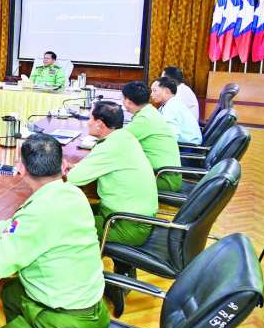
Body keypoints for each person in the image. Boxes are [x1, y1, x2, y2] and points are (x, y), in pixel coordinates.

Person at [0, 134, 109, 328]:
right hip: (92, 311)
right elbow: (22, 225)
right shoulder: (73, 193)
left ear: (21, 169)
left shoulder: (38, 214)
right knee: (11, 293)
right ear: (63, 165)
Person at [66, 101, 157, 247]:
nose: (88, 123)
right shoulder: (124, 137)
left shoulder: (110, 146)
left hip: (124, 226)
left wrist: (68, 169)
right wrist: (77, 167)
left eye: (91, 118)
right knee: (73, 209)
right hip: (134, 220)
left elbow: (73, 178)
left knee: (62, 222)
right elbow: (105, 163)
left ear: (100, 124)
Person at [121, 81, 182, 192]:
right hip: (162, 174)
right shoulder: (149, 112)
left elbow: (115, 140)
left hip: (163, 179)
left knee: (114, 178)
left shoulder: (145, 119)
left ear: (128, 101)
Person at [151, 77, 202, 145]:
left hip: (187, 147)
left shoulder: (171, 107)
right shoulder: (171, 103)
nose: (151, 94)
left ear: (167, 91)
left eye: (154, 91)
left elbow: (171, 136)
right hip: (184, 144)